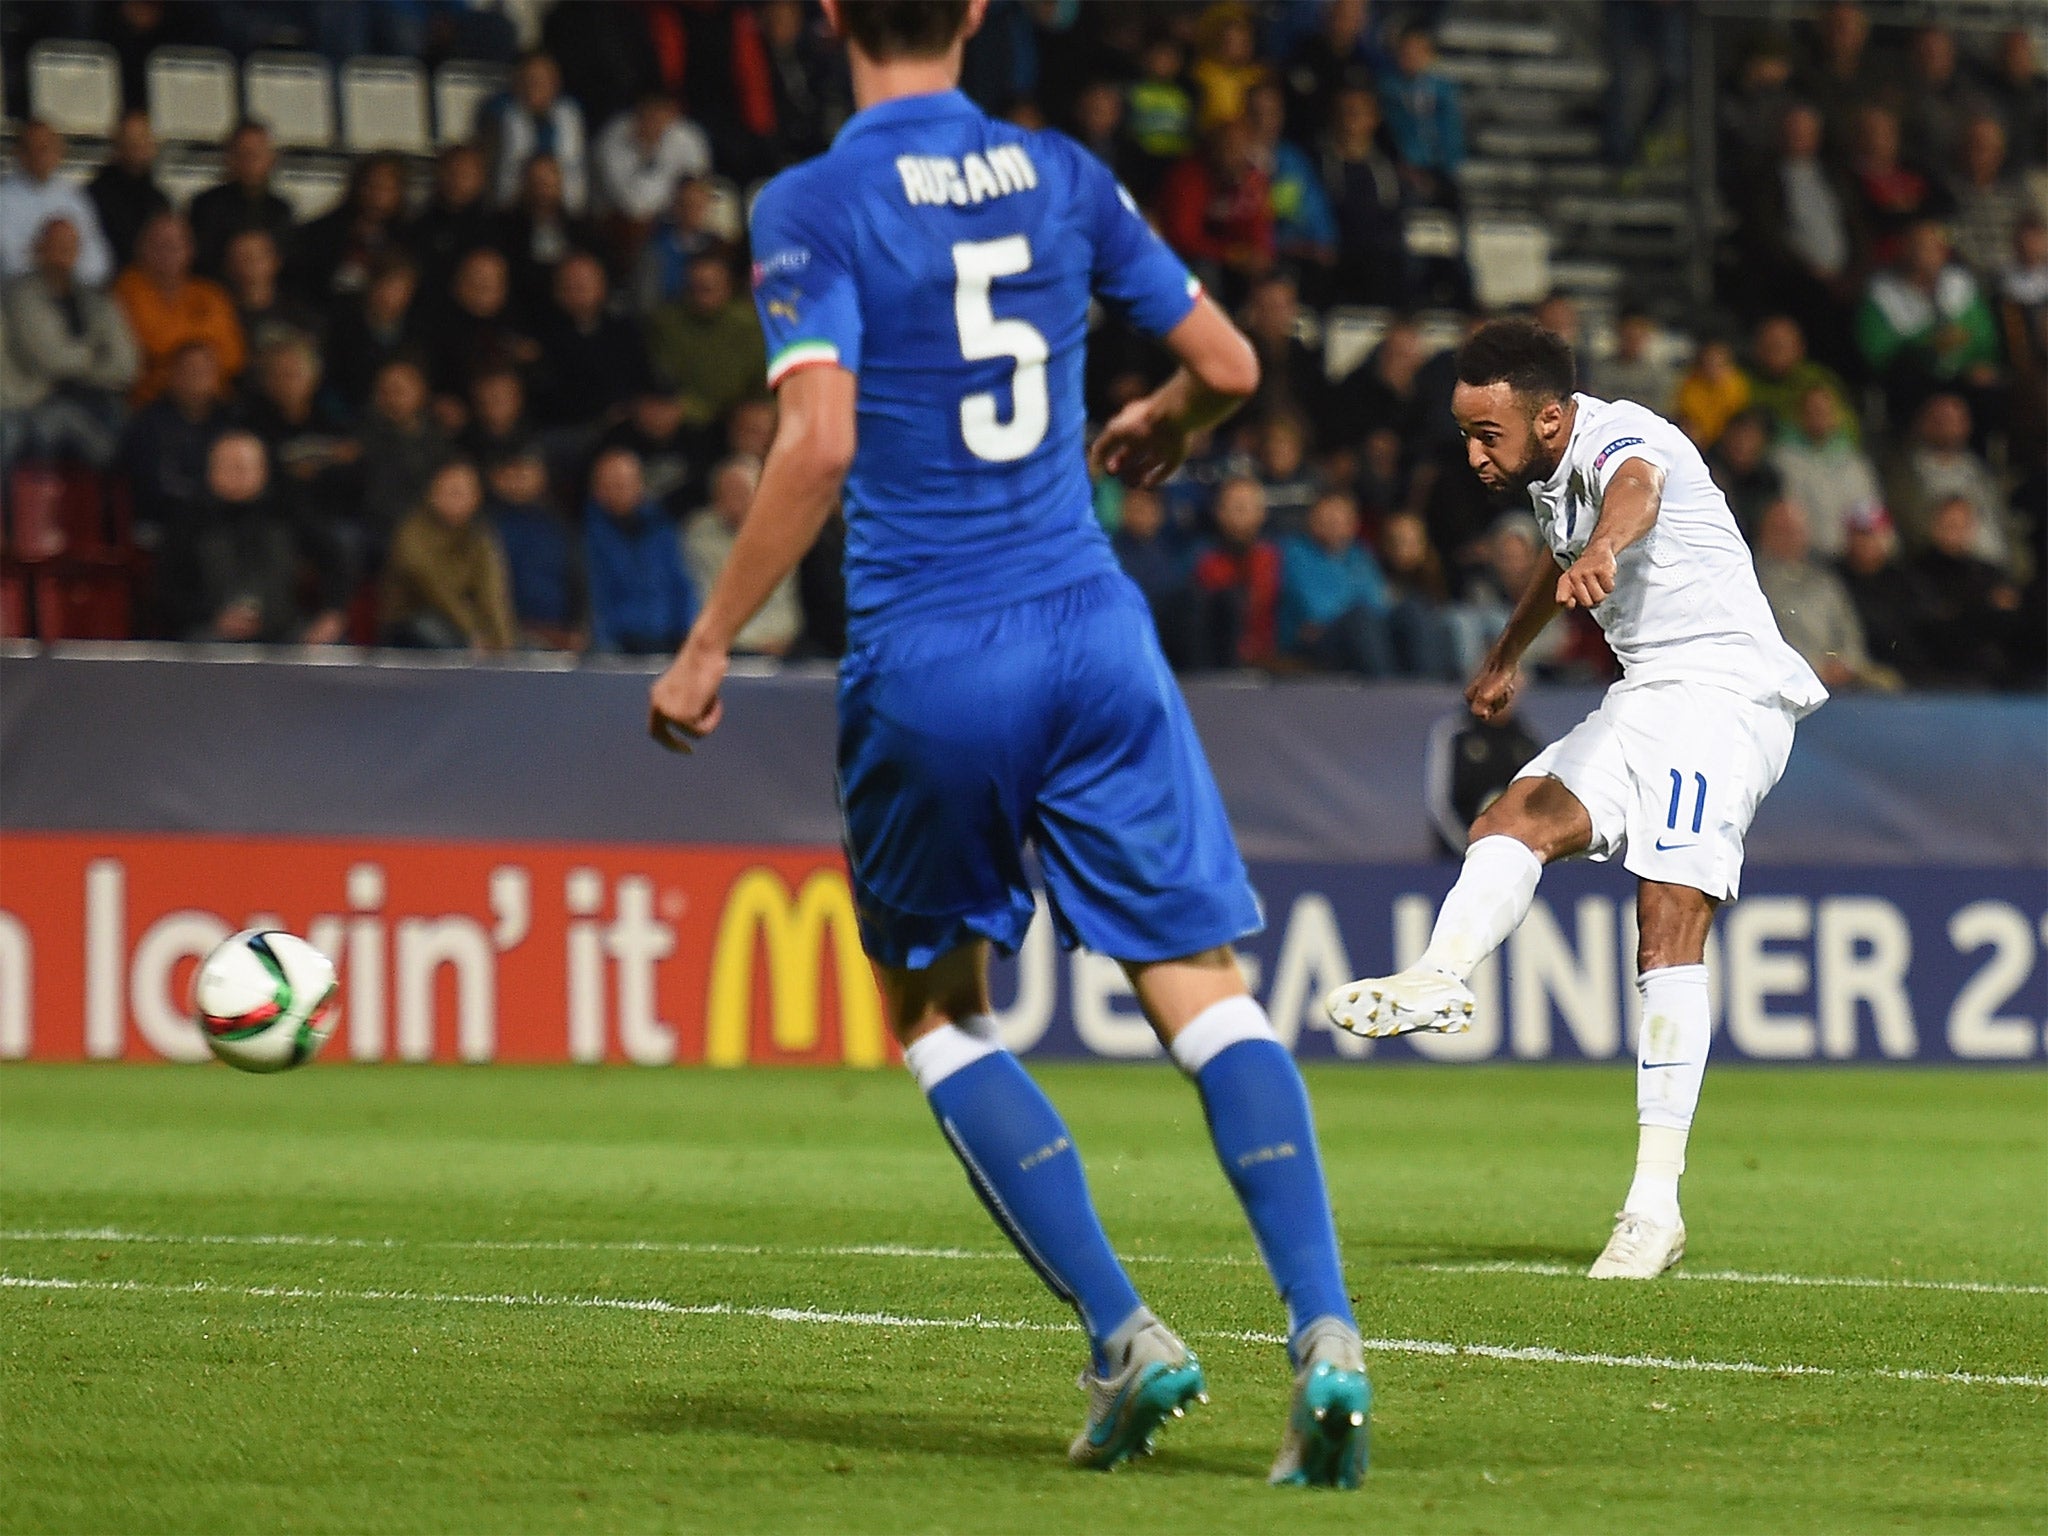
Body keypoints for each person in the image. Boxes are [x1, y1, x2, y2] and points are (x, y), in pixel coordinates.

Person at [646, 0, 1369, 1486]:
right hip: (1093, 633)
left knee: (934, 1012)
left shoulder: (813, 200)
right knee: (1206, 993)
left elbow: (822, 440)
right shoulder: (1062, 175)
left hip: (931, 655)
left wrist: (712, 637)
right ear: (977, 13)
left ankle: (1124, 1333)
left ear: (831, 18)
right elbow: (1229, 363)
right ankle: (1328, 1332)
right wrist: (1166, 421)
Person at [1325, 318, 1828, 1280]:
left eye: (1488, 434)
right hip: (1647, 694)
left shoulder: (1623, 438)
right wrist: (1508, 655)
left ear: (1550, 419)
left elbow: (1635, 494)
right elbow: (1563, 560)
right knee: (1510, 819)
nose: (1474, 454)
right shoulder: (1553, 480)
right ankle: (1440, 974)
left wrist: (1603, 549)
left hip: (1725, 696)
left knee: (1668, 919)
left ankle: (1652, 1208)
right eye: (1466, 433)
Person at [0, 218, 139, 469]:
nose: (62, 253)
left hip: (98, 397)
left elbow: (126, 366)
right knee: (52, 428)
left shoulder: (97, 299)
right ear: (39, 248)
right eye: (55, 244)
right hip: (37, 400)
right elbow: (51, 361)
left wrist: (83, 367)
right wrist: (96, 354)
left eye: (69, 245)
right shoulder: (21, 295)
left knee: (135, 432)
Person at [1751, 496, 1890, 691]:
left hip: (1839, 677)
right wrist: (1813, 667)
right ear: (1764, 532)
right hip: (1783, 680)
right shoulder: (1753, 582)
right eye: (1781, 530)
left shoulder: (1825, 582)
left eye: (1796, 530)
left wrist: (1846, 663)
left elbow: (1849, 631)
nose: (1790, 537)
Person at [379, 457, 517, 650]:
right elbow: (434, 588)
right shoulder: (411, 532)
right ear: (432, 494)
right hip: (411, 618)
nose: (457, 498)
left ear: (476, 497)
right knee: (439, 635)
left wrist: (503, 644)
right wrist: (472, 634)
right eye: (450, 492)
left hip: (463, 620)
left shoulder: (480, 538)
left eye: (463, 492)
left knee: (526, 648)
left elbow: (492, 593)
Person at [112, 212, 245, 405]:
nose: (169, 253)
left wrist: (176, 359)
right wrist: (197, 353)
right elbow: (147, 348)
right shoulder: (125, 291)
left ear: (191, 250)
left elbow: (232, 358)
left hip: (214, 404)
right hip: (149, 403)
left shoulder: (212, 295)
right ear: (141, 248)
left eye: (176, 245)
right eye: (160, 245)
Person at [680, 455, 798, 654]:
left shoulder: (781, 534)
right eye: (727, 493)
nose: (734, 501)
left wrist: (771, 640)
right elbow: (702, 597)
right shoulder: (697, 535)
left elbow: (782, 603)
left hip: (775, 645)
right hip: (719, 645)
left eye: (742, 492)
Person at [585, 445, 694, 654]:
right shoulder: (586, 537)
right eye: (613, 484)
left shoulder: (663, 530)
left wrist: (689, 636)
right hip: (619, 647)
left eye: (626, 483)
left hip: (668, 642)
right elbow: (594, 600)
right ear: (597, 490)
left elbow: (682, 585)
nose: (621, 490)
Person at [645, 251, 766, 430]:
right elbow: (656, 378)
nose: (700, 296)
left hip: (730, 422)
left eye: (708, 288)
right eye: (694, 288)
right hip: (671, 420)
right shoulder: (667, 322)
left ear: (728, 286)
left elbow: (758, 391)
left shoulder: (749, 327)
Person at [1279, 490, 1393, 675]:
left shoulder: (1361, 555)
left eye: (1339, 520)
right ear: (1312, 521)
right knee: (1361, 619)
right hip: (1313, 641)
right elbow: (1313, 609)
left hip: (1363, 634)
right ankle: (1388, 693)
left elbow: (1378, 604)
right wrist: (1353, 611)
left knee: (1409, 614)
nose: (1333, 525)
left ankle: (1423, 690)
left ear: (1353, 524)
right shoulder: (1293, 553)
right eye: (1326, 520)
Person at [1768, 382, 1881, 559]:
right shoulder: (1781, 460)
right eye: (1812, 410)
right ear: (1800, 415)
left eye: (1825, 410)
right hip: (1807, 557)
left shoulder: (1854, 462)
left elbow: (1869, 510)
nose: (1819, 416)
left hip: (1852, 559)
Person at [0, 122, 114, 290]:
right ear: (19, 153)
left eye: (45, 148)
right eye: (32, 149)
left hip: (77, 290)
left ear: (59, 152)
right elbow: (10, 263)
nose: (39, 156)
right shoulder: (4, 198)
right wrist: (54, 259)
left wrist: (54, 260)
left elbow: (99, 260)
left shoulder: (74, 196)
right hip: (25, 293)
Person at [483, 51, 590, 214]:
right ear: (517, 82)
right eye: (529, 79)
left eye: (542, 80)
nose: (535, 86)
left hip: (564, 209)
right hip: (513, 208)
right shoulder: (499, 116)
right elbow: (494, 170)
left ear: (555, 83)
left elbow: (575, 165)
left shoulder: (570, 114)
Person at [186, 121, 294, 281]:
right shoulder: (206, 206)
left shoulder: (281, 210)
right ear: (229, 157)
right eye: (243, 153)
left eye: (256, 153)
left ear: (270, 158)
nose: (250, 161)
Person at [593, 93, 713, 229]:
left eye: (663, 115)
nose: (657, 123)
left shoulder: (687, 136)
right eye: (651, 115)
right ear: (640, 113)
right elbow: (630, 204)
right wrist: (647, 151)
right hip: (619, 221)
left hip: (670, 217)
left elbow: (697, 184)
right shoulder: (612, 137)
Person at [86, 109, 170, 271]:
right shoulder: (94, 195)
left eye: (143, 137)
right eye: (131, 139)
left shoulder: (160, 200)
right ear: (117, 143)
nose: (138, 145)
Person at [1587, 308, 1678, 413]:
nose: (1632, 342)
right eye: (1628, 337)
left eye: (1636, 338)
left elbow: (1661, 406)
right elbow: (1596, 402)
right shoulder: (1602, 370)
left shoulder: (1657, 374)